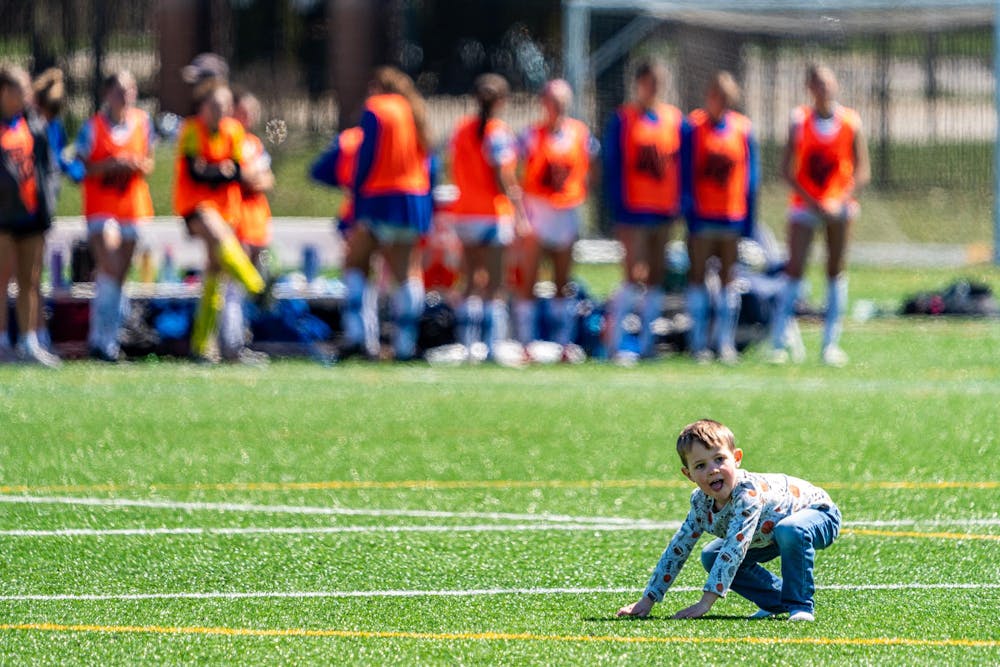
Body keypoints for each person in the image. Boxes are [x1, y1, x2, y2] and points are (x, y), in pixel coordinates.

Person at [617, 419, 841, 622]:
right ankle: (778, 601)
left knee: (789, 530)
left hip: (819, 514)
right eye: (700, 466)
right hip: (769, 535)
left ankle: (800, 606)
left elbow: (735, 548)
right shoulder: (700, 502)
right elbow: (678, 548)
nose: (713, 470)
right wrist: (648, 599)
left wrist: (705, 603)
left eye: (719, 459)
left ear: (737, 459)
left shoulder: (747, 495)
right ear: (689, 475)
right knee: (711, 556)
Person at [770, 65, 870, 367]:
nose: (823, 89)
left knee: (835, 271)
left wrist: (838, 200)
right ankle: (778, 341)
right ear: (809, 88)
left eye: (827, 83)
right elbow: (787, 168)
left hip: (839, 207)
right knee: (794, 270)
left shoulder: (851, 121)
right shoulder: (799, 120)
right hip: (805, 205)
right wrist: (814, 200)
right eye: (817, 84)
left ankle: (830, 344)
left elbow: (862, 169)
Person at [173, 80, 266, 362]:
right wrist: (221, 171)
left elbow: (237, 170)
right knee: (219, 236)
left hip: (227, 209)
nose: (221, 111)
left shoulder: (233, 131)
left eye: (225, 106)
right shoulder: (191, 129)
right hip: (196, 206)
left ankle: (202, 345)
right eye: (215, 105)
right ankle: (258, 287)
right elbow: (195, 172)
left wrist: (219, 170)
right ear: (202, 107)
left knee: (214, 273)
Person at [344, 66, 432, 361]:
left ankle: (359, 338)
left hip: (381, 197)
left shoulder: (377, 108)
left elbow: (366, 156)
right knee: (405, 273)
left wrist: (357, 198)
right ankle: (406, 345)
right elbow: (429, 162)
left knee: (356, 263)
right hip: (412, 199)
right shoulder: (412, 111)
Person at [602, 57, 685, 364]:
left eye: (658, 83)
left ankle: (647, 342)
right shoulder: (623, 119)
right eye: (649, 82)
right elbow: (613, 167)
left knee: (655, 277)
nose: (654, 88)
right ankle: (615, 343)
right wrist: (618, 208)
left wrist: (679, 202)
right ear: (638, 84)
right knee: (630, 275)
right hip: (633, 209)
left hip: (663, 209)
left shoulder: (674, 119)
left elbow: (680, 165)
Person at [76, 71, 155, 362]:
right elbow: (82, 166)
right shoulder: (93, 126)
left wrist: (133, 164)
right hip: (101, 208)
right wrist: (110, 165)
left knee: (119, 276)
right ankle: (99, 339)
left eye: (130, 90)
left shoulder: (143, 122)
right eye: (120, 90)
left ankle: (110, 340)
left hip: (132, 207)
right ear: (107, 93)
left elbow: (148, 162)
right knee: (109, 266)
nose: (125, 96)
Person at [445, 73, 524, 362]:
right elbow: (501, 173)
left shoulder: (460, 129)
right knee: (494, 284)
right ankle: (491, 346)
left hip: (465, 212)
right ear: (501, 101)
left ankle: (466, 345)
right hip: (491, 214)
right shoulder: (497, 132)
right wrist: (517, 208)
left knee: (468, 282)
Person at [682, 71, 759, 365]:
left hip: (730, 214)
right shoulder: (694, 126)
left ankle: (725, 341)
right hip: (702, 215)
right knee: (698, 276)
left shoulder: (742, 128)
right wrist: (689, 209)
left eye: (725, 97)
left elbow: (751, 176)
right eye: (715, 95)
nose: (719, 102)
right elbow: (686, 171)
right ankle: (699, 341)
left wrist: (749, 218)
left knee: (729, 280)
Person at [514, 79, 594, 362]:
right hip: (538, 209)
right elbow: (513, 169)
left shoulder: (579, 133)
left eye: (561, 102)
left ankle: (563, 343)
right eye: (551, 101)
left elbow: (588, 169)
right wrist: (519, 212)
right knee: (530, 278)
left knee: (563, 280)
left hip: (566, 210)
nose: (556, 107)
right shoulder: (530, 135)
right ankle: (526, 342)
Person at [0, 64, 60, 366]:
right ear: (5, 92)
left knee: (30, 281)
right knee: (1, 280)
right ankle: (1, 342)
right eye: (20, 90)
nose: (26, 96)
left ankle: (28, 342)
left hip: (31, 215)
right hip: (2, 218)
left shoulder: (33, 124)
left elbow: (48, 168)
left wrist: (48, 204)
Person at [310, 125, 377, 355]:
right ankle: (372, 339)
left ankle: (358, 336)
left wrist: (347, 183)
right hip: (392, 211)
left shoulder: (350, 139)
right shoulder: (404, 134)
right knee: (374, 275)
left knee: (355, 270)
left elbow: (319, 171)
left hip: (360, 211)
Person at [218, 89, 274, 364]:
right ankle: (231, 344)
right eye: (243, 110)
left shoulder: (254, 143)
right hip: (236, 221)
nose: (248, 116)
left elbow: (265, 180)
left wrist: (253, 177)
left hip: (256, 222)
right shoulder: (229, 139)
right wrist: (251, 177)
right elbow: (241, 177)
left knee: (247, 289)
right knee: (233, 286)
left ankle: (240, 340)